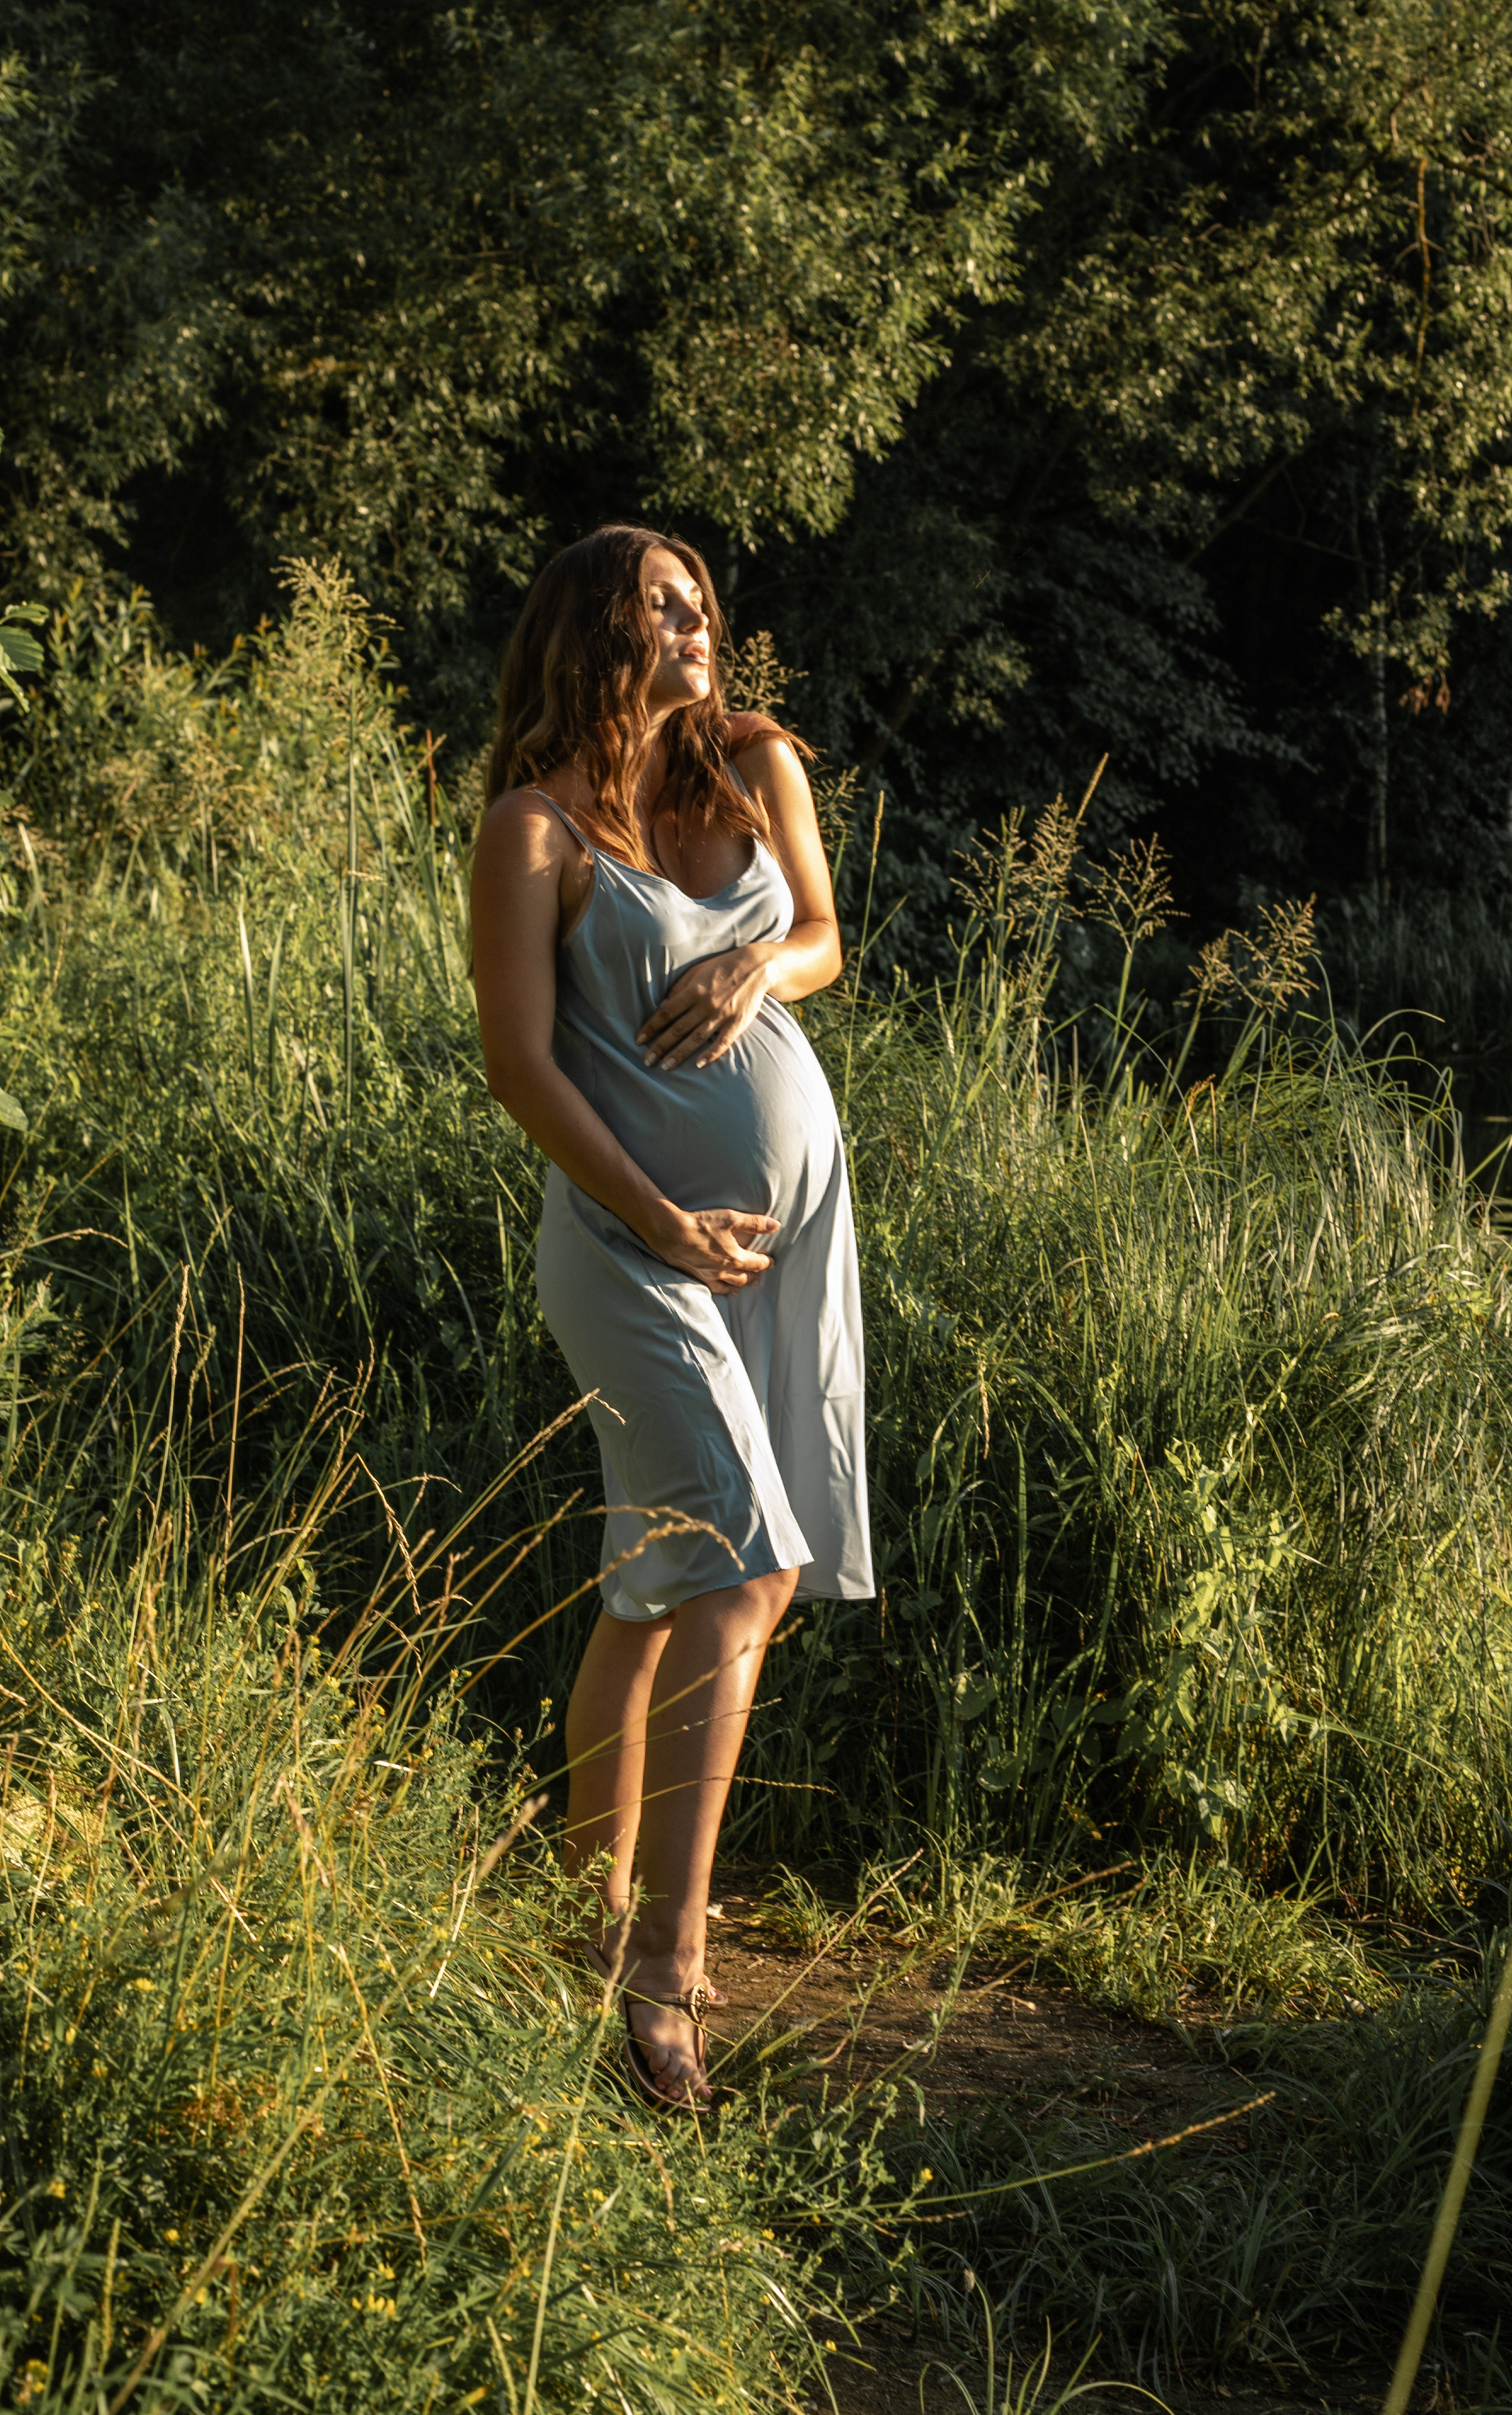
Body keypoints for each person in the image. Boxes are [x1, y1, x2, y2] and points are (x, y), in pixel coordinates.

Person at [470, 525, 872, 2111]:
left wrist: (757, 969)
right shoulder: (533, 829)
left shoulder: (755, 761)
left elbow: (824, 937)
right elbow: (520, 1067)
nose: (698, 625)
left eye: (703, 604)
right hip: (629, 1246)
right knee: (739, 1561)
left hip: (784, 1242)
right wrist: (661, 1221)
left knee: (658, 1588)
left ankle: (586, 1917)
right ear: (594, 629)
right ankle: (665, 1966)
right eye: (664, 605)